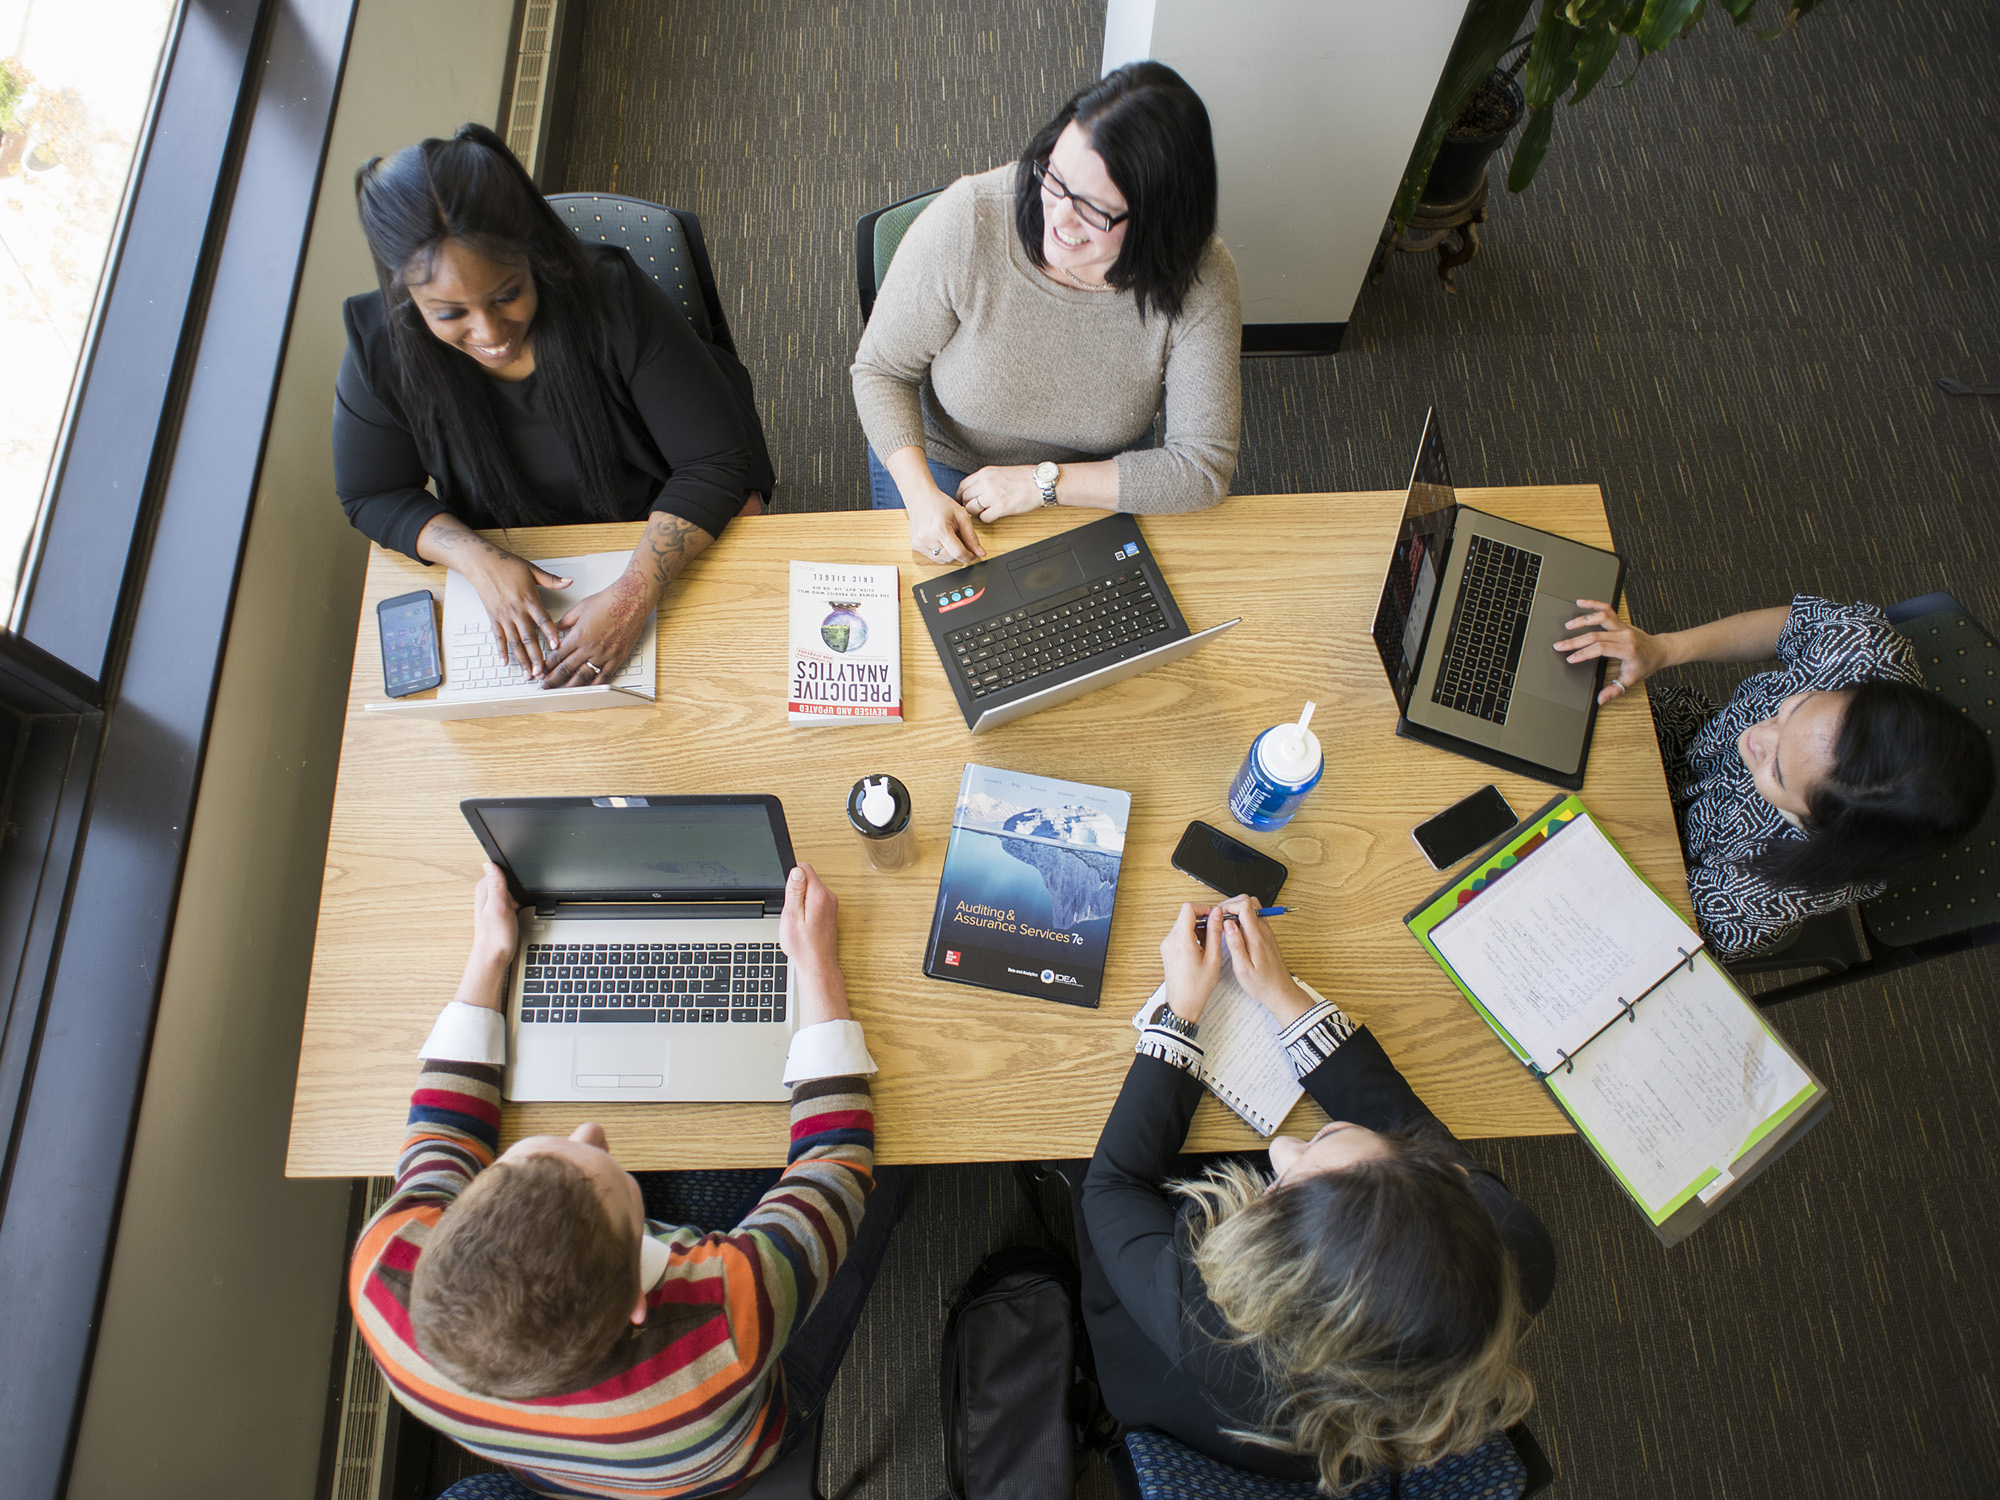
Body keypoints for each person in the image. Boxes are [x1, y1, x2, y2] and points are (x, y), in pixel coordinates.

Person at [347, 861, 897, 1498]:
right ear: (641, 1302)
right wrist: (814, 966)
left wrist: (491, 956)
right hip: (734, 1447)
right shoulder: (725, 1317)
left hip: (557, 1466)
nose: (593, 1134)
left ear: (452, 1216)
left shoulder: (383, 1277)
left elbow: (441, 1136)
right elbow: (835, 1164)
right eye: (618, 1182)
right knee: (886, 1182)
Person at [1077, 897, 1555, 1491]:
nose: (1280, 1147)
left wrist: (1179, 1013)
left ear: (1262, 1264)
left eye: (1283, 1184)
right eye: (1327, 1140)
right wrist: (1284, 997)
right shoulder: (1509, 1246)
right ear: (1453, 1178)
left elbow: (1114, 1184)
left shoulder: (1209, 1320)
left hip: (1182, 1381)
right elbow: (1407, 1127)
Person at [335, 123, 776, 689]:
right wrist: (478, 562)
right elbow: (370, 493)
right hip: (518, 556)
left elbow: (713, 462)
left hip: (658, 527)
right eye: (450, 314)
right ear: (403, 290)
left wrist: (633, 592)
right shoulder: (380, 346)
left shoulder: (611, 295)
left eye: (507, 295)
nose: (490, 332)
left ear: (532, 254)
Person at [850, 62, 1240, 565]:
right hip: (945, 462)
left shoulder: (1200, 277)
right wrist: (921, 495)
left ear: (1159, 220)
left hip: (1093, 472)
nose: (1058, 217)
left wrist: (1043, 483)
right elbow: (881, 370)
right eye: (1054, 179)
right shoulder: (970, 220)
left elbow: (1202, 467)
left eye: (1093, 209)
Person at [1552, 594, 1994, 957]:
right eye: (1797, 708)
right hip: (1676, 738)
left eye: (1778, 771)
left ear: (1810, 823)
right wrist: (1668, 648)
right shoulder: (1862, 650)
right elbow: (1791, 625)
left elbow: (1654, 928)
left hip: (1659, 862)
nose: (1758, 734)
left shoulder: (1770, 890)